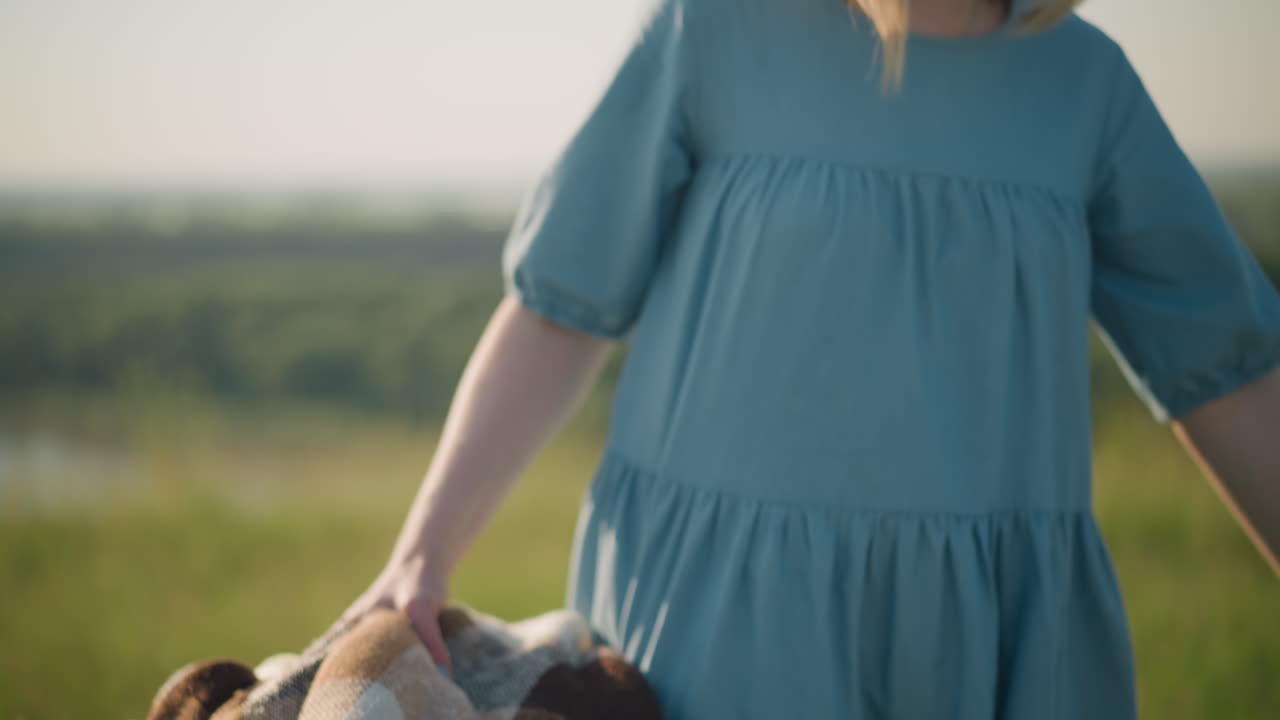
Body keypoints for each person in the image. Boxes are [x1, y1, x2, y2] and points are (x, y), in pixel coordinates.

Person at [336, 0, 1280, 717]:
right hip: (714, 637)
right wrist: (424, 552)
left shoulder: (1086, 85)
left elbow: (1229, 369)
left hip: (989, 640)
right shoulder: (716, 28)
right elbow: (560, 309)